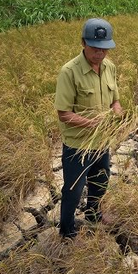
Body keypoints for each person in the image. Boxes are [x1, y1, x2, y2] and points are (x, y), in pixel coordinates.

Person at [54, 18, 122, 238]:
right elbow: (64, 114)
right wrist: (92, 124)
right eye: (95, 48)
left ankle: (93, 214)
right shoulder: (69, 72)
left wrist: (118, 114)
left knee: (100, 180)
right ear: (83, 42)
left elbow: (115, 100)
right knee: (73, 190)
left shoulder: (109, 67)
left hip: (101, 142)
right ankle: (67, 230)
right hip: (78, 145)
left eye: (104, 49)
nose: (100, 53)